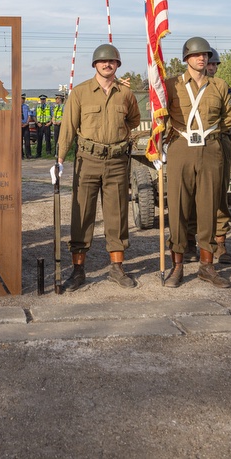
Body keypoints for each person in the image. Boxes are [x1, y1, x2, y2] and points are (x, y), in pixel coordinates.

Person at [56, 43, 141, 289]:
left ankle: (117, 268)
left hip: (116, 161)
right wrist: (59, 159)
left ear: (117, 65)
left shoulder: (125, 94)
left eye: (112, 61)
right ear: (95, 64)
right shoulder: (80, 92)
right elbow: (68, 127)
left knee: (117, 214)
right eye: (103, 61)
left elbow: (134, 120)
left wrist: (117, 133)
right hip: (88, 160)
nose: (107, 64)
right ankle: (78, 270)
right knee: (82, 213)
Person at [164, 37, 231, 288]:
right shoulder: (171, 85)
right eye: (196, 55)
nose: (202, 58)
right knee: (178, 207)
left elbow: (230, 118)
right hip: (181, 147)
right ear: (186, 58)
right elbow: (160, 114)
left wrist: (211, 135)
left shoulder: (219, 85)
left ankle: (207, 266)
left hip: (211, 148)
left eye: (205, 55)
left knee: (209, 206)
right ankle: (177, 265)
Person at [207, 47, 231, 263]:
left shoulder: (223, 88)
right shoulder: (183, 87)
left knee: (219, 194)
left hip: (220, 140)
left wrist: (216, 133)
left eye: (214, 64)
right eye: (208, 63)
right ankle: (191, 240)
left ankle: (220, 242)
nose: (211, 67)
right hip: (193, 144)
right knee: (191, 195)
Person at [20, 93, 32, 159]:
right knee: (20, 141)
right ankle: (21, 155)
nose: (22, 100)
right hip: (19, 126)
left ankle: (28, 154)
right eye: (22, 99)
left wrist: (27, 123)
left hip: (26, 125)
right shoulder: (15, 107)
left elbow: (29, 115)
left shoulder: (26, 107)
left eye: (23, 99)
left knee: (27, 141)